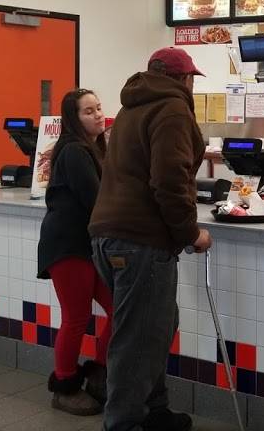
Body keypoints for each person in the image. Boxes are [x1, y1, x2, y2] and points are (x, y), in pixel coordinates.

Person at [89, 47, 212, 431]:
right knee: (139, 338)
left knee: (156, 326)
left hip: (108, 237)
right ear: (183, 79)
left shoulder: (131, 107)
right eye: (191, 79)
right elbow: (169, 181)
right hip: (140, 241)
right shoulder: (173, 109)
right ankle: (122, 423)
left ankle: (153, 411)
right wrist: (191, 233)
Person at [38, 88, 113, 415]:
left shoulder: (94, 148)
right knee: (76, 317)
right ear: (74, 118)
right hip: (68, 245)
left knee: (119, 309)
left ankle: (99, 374)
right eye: (88, 111)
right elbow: (97, 200)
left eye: (98, 108)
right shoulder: (73, 151)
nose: (98, 115)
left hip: (87, 244)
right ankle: (65, 387)